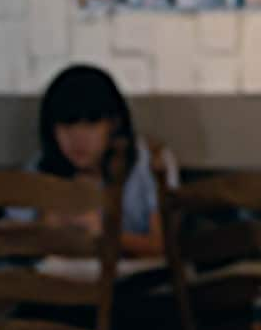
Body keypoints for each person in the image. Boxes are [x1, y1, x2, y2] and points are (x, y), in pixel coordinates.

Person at [32, 64, 165, 257]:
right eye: (66, 125)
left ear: (114, 124)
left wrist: (105, 234)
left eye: (91, 123)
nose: (78, 138)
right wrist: (47, 229)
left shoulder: (147, 162)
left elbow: (162, 246)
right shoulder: (40, 167)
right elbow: (11, 239)